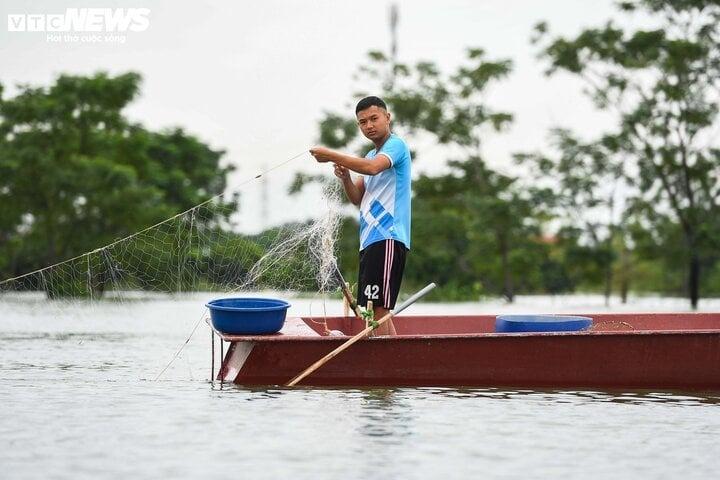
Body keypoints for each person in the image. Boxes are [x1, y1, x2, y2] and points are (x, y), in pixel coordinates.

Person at [310, 96, 411, 336]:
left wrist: (333, 155)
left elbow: (373, 168)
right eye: (363, 122)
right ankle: (390, 362)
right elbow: (357, 198)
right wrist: (345, 177)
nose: (369, 126)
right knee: (372, 310)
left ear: (387, 117)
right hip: (370, 241)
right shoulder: (368, 155)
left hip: (389, 237)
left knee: (379, 309)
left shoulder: (395, 146)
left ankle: (390, 366)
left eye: (374, 119)